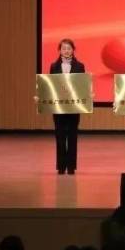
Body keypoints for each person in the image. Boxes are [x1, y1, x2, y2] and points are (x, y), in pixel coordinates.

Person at [49, 38, 85, 175]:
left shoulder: (80, 66)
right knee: (59, 136)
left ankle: (71, 167)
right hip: (58, 107)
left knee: (72, 136)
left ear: (73, 50)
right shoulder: (54, 66)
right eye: (64, 48)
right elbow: (50, 86)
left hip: (74, 107)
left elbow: (82, 86)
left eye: (69, 48)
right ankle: (61, 166)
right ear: (60, 50)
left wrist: (88, 94)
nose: (66, 51)